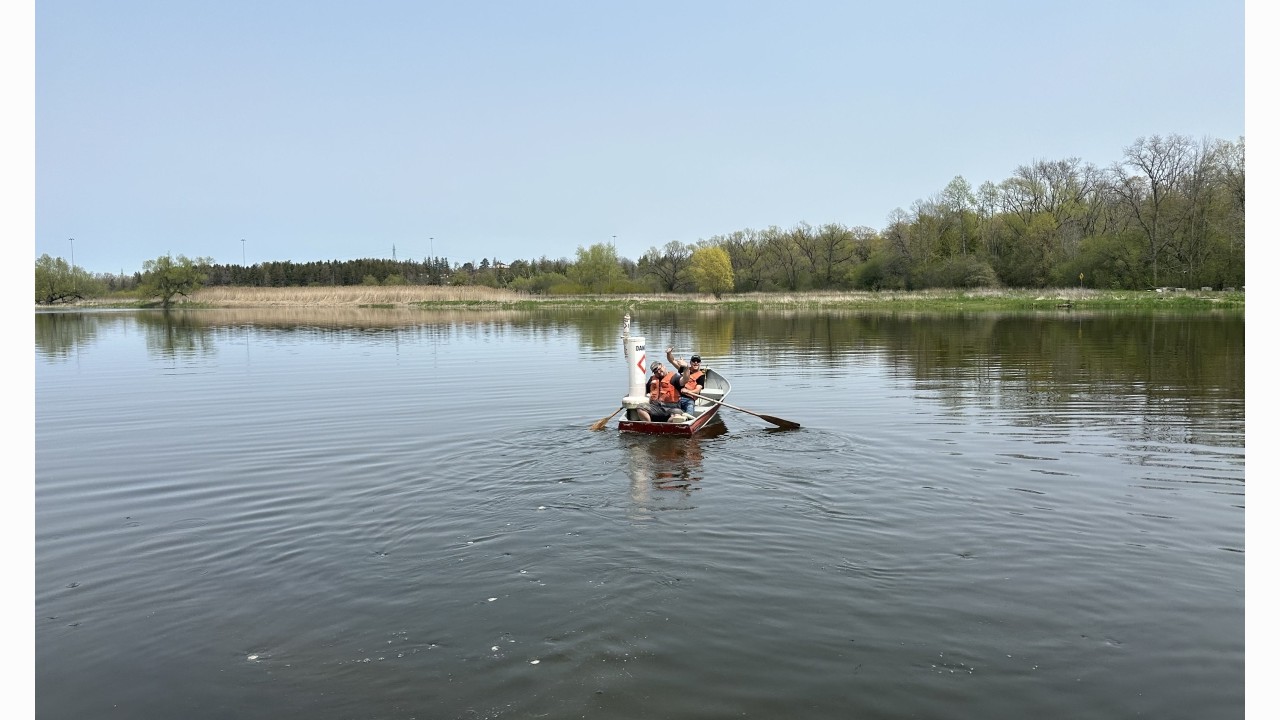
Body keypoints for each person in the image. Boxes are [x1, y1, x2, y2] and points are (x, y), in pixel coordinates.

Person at [666, 348, 705, 415]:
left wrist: (688, 392)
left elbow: (697, 390)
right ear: (690, 363)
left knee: (689, 413)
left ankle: (687, 421)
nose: (696, 362)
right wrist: (669, 353)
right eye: (694, 361)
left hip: (689, 399)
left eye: (698, 361)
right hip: (677, 397)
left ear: (700, 363)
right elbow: (672, 360)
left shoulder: (701, 376)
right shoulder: (684, 369)